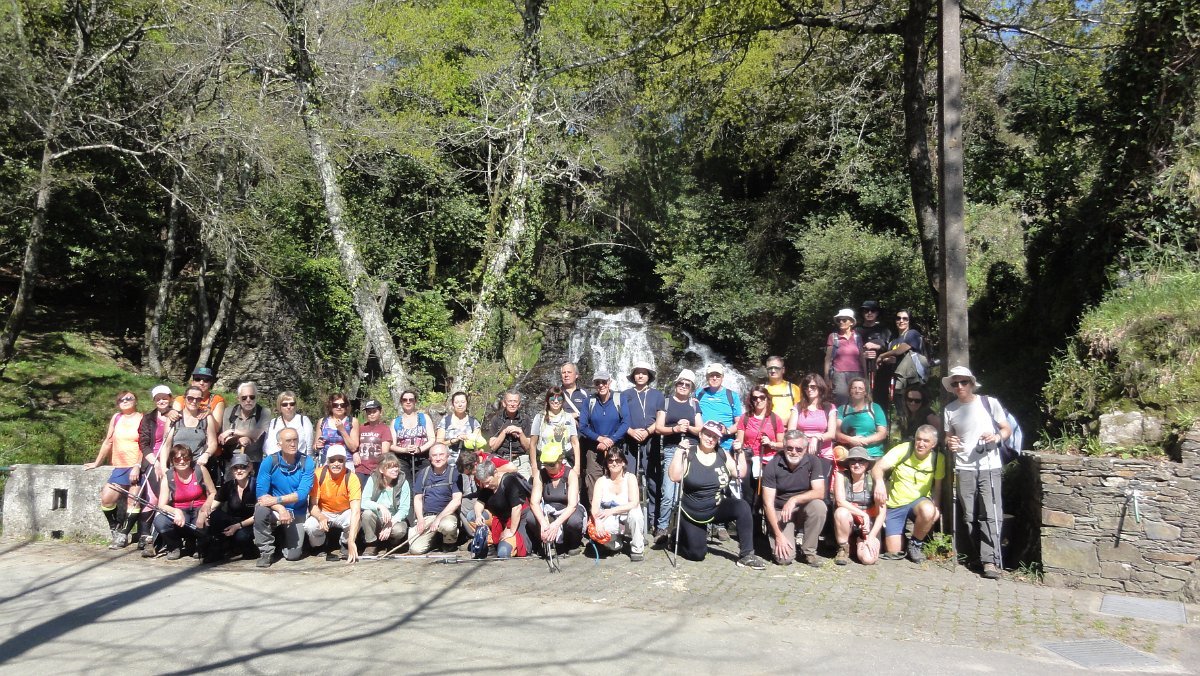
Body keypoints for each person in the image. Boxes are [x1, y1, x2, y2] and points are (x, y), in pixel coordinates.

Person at [667, 420, 765, 569]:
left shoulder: (722, 454)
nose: (710, 439)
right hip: (692, 512)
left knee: (742, 506)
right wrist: (678, 451)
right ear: (700, 434)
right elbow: (674, 476)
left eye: (714, 436)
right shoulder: (690, 453)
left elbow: (740, 473)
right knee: (697, 555)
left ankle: (747, 555)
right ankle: (677, 536)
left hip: (716, 506)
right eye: (707, 434)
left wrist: (740, 453)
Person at [942, 366, 1010, 579]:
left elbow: (1006, 429)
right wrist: (950, 442)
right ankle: (977, 556)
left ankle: (991, 561)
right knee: (969, 515)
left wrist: (996, 438)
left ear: (972, 383)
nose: (960, 386)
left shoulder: (989, 403)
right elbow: (948, 437)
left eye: (963, 382)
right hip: (963, 467)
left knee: (990, 514)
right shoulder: (949, 409)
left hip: (989, 465)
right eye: (955, 383)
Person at [872, 425, 945, 564]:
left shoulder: (937, 459)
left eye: (926, 441)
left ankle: (915, 544)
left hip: (919, 502)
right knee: (893, 551)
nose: (921, 444)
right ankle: (904, 537)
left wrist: (936, 508)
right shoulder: (904, 449)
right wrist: (880, 483)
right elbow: (877, 467)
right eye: (918, 439)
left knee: (930, 511)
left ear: (933, 444)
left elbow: (938, 488)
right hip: (896, 504)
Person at [84, 390, 145, 549]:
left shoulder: (142, 418)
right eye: (121, 399)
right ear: (117, 403)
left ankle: (123, 534)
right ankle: (115, 526)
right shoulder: (116, 418)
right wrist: (97, 462)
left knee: (133, 499)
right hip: (120, 466)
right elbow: (108, 442)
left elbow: (145, 445)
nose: (125, 401)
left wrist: (138, 465)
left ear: (135, 400)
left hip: (136, 465)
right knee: (107, 498)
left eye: (129, 398)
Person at [761, 430, 828, 567]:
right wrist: (779, 536)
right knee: (784, 559)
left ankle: (808, 551)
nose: (794, 452)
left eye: (799, 449)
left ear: (805, 449)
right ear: (784, 447)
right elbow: (767, 504)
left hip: (803, 507)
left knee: (819, 506)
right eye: (789, 448)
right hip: (780, 510)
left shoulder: (813, 461)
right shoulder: (772, 465)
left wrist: (794, 500)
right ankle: (777, 534)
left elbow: (820, 492)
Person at [652, 369, 703, 541]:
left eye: (687, 385)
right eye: (680, 383)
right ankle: (662, 528)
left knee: (690, 491)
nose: (683, 386)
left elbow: (700, 429)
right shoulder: (665, 403)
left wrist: (687, 427)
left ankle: (688, 528)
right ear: (675, 385)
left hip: (692, 450)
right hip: (672, 450)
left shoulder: (694, 405)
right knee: (668, 493)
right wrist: (675, 429)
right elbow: (659, 428)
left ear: (691, 388)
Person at [253, 428, 315, 567]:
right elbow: (261, 494)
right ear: (279, 444)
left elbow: (302, 494)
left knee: (293, 556)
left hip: (296, 510)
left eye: (295, 440)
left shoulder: (307, 462)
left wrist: (277, 500)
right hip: (275, 509)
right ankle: (266, 552)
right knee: (260, 510)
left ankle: (282, 537)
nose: (293, 444)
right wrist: (280, 508)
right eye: (288, 441)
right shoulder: (269, 461)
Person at [153, 443, 217, 560]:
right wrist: (176, 511)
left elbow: (213, 492)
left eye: (186, 458)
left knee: (206, 523)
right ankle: (174, 546)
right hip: (180, 510)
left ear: (191, 459)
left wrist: (205, 508)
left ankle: (199, 545)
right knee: (160, 522)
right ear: (172, 461)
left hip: (199, 508)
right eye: (177, 459)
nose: (182, 462)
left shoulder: (200, 470)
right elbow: (161, 505)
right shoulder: (168, 476)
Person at [620, 361, 664, 527]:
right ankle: (626, 520)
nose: (640, 375)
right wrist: (631, 431)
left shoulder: (658, 395)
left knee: (653, 481)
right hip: (629, 442)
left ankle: (654, 521)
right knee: (628, 479)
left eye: (644, 373)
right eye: (637, 373)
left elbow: (661, 417)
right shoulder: (625, 394)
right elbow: (621, 418)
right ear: (633, 376)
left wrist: (647, 431)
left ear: (649, 376)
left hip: (651, 441)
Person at [305, 444, 361, 563]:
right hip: (324, 511)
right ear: (327, 461)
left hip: (344, 511)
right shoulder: (318, 474)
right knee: (310, 525)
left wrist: (351, 541)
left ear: (345, 462)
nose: (336, 463)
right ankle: (319, 546)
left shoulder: (352, 478)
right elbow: (313, 505)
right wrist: (320, 516)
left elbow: (356, 511)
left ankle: (346, 544)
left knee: (355, 519)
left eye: (340, 460)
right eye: (332, 460)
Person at [734, 384, 785, 515]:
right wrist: (737, 446)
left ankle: (767, 529)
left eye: (762, 397)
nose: (758, 400)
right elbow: (739, 440)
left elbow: (783, 444)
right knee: (749, 497)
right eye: (755, 398)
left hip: (768, 462)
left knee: (766, 498)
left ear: (767, 399)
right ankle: (750, 529)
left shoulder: (775, 419)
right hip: (749, 461)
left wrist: (771, 443)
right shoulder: (745, 418)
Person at [527, 443, 585, 557]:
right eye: (545, 464)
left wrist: (556, 524)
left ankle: (573, 543)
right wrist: (543, 523)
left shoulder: (570, 474)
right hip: (549, 510)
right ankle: (544, 542)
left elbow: (573, 505)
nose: (548, 468)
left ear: (561, 460)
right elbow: (534, 502)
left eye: (552, 464)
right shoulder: (540, 474)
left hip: (568, 509)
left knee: (575, 520)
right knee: (530, 516)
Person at [137, 385, 175, 551]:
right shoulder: (148, 418)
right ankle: (146, 536)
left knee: (169, 499)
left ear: (170, 398)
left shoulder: (176, 415)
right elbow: (144, 444)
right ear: (154, 400)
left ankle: (165, 536)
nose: (161, 400)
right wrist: (156, 463)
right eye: (158, 398)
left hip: (174, 461)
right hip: (153, 460)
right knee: (153, 499)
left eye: (164, 397)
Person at [590, 447, 646, 561]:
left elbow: (634, 502)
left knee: (636, 514)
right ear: (607, 463)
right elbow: (594, 507)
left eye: (618, 460)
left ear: (623, 462)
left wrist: (611, 511)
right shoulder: (601, 481)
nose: (614, 463)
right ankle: (616, 543)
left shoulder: (630, 478)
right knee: (605, 536)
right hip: (609, 519)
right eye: (610, 461)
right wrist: (598, 521)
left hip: (627, 516)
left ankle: (637, 548)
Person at [832, 446, 884, 565]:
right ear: (848, 463)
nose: (856, 464)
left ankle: (859, 542)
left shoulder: (874, 480)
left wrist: (871, 536)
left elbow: (882, 513)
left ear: (867, 464)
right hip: (848, 521)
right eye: (853, 461)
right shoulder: (841, 476)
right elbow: (840, 501)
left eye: (861, 461)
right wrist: (863, 515)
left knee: (868, 559)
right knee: (841, 512)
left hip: (869, 526)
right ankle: (843, 548)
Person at [580, 371, 628, 499]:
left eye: (604, 382)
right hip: (594, 448)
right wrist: (600, 439)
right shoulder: (589, 401)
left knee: (615, 478)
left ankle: (613, 510)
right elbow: (582, 426)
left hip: (615, 448)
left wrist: (610, 440)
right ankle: (594, 513)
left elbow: (626, 423)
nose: (601, 385)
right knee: (592, 481)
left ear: (609, 382)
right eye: (597, 382)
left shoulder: (619, 399)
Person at [473, 461, 533, 559]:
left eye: (488, 482)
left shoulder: (509, 481)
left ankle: (508, 543)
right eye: (484, 483)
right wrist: (479, 515)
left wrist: (511, 531)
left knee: (503, 552)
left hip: (517, 518)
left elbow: (517, 508)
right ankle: (489, 545)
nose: (486, 486)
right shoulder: (486, 486)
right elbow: (479, 503)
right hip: (499, 517)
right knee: (472, 516)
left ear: (495, 473)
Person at [204, 452, 258, 561]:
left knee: (242, 537)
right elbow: (214, 505)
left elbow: (259, 515)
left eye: (243, 467)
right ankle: (218, 549)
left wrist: (238, 526)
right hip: (232, 521)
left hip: (250, 523)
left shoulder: (257, 486)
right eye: (235, 468)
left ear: (250, 467)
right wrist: (206, 515)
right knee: (215, 516)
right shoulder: (228, 486)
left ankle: (249, 549)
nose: (239, 470)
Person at [410, 443, 463, 554]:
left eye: (441, 455)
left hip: (447, 516)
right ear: (430, 458)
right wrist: (420, 520)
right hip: (428, 516)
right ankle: (434, 539)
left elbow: (457, 500)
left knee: (447, 526)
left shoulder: (455, 473)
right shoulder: (423, 474)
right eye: (434, 455)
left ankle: (448, 543)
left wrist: (439, 518)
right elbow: (418, 498)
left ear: (447, 456)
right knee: (415, 550)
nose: (438, 458)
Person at [457, 448, 514, 540]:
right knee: (460, 503)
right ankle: (478, 535)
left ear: (475, 465)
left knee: (470, 513)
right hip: (485, 495)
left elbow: (512, 467)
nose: (470, 476)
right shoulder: (475, 466)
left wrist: (489, 474)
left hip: (500, 496)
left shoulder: (489, 460)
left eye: (469, 474)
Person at [359, 453, 411, 556]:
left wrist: (390, 524)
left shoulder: (403, 482)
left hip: (394, 519)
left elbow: (404, 509)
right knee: (367, 514)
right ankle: (371, 544)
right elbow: (363, 502)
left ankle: (392, 543)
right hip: (377, 519)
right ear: (382, 470)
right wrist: (380, 506)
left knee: (399, 530)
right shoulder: (373, 479)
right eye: (390, 467)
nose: (395, 470)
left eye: (396, 466)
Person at [878, 308, 927, 408]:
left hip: (913, 381)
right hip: (898, 381)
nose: (901, 321)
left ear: (909, 321)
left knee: (916, 410)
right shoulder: (892, 341)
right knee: (902, 412)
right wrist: (887, 360)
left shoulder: (913, 334)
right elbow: (893, 357)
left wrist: (882, 356)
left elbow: (900, 350)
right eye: (898, 318)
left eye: (905, 319)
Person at [219, 382, 271, 472]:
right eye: (244, 398)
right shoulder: (229, 412)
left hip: (254, 461)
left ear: (256, 398)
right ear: (238, 399)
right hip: (231, 461)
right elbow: (225, 439)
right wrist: (240, 439)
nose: (248, 400)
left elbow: (257, 433)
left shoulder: (264, 412)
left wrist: (233, 431)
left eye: (252, 397)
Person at [529, 386, 581, 473]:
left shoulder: (569, 418)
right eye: (552, 398)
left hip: (565, 462)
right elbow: (532, 444)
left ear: (563, 400)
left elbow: (575, 443)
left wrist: (577, 466)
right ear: (547, 400)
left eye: (559, 398)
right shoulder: (539, 417)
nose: (556, 401)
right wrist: (534, 467)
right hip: (544, 463)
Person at [172, 385, 219, 479]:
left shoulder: (206, 417)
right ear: (184, 398)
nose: (194, 401)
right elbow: (166, 445)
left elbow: (213, 442)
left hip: (198, 466)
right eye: (190, 398)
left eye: (198, 399)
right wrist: (164, 468)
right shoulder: (175, 417)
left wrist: (207, 454)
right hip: (177, 465)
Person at [786, 373, 837, 460]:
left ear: (820, 388)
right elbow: (791, 432)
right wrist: (806, 440)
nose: (809, 389)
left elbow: (831, 434)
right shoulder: (797, 407)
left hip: (823, 453)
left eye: (813, 387)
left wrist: (816, 437)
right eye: (806, 387)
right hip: (801, 453)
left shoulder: (829, 407)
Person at [835, 377, 887, 459]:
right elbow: (836, 433)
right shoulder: (842, 409)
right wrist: (851, 440)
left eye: (860, 388)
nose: (857, 390)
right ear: (850, 391)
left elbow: (882, 433)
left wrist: (862, 441)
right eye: (854, 388)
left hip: (872, 454)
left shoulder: (875, 408)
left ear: (865, 392)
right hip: (849, 456)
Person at [824, 309, 866, 407]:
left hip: (857, 374)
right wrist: (826, 377)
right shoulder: (833, 337)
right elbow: (827, 359)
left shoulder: (857, 337)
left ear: (851, 322)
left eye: (844, 320)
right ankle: (841, 421)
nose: (841, 322)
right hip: (838, 374)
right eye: (839, 320)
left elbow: (862, 357)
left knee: (857, 400)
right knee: (841, 401)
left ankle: (855, 421)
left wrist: (866, 376)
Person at [391, 390, 434, 485]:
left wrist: (419, 449)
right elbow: (391, 445)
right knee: (406, 486)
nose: (408, 402)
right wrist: (405, 450)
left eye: (411, 399)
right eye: (405, 400)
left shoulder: (424, 418)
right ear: (401, 402)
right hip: (403, 460)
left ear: (415, 402)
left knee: (424, 484)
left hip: (423, 458)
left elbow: (432, 439)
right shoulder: (395, 422)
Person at [487, 391, 533, 478]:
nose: (512, 404)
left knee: (526, 487)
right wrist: (504, 432)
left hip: (521, 460)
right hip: (501, 459)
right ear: (504, 403)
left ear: (519, 404)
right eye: (510, 401)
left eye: (515, 401)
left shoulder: (525, 419)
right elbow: (492, 447)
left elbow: (528, 447)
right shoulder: (496, 419)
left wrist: (520, 433)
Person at [857, 300, 893, 405]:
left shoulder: (884, 330)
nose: (869, 313)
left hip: (881, 371)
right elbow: (851, 352)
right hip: (862, 371)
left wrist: (877, 346)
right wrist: (863, 355)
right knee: (862, 398)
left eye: (872, 310)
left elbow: (891, 348)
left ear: (877, 313)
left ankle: (881, 421)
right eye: (866, 310)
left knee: (881, 400)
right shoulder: (856, 331)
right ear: (862, 313)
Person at [313, 392, 360, 468]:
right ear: (330, 406)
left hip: (346, 463)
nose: (339, 407)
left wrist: (342, 430)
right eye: (335, 405)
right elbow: (315, 446)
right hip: (326, 463)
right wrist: (317, 445)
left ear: (346, 406)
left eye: (342, 405)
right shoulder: (322, 422)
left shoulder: (352, 421)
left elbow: (354, 447)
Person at [436, 391, 484, 464]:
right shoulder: (445, 421)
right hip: (448, 461)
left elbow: (479, 446)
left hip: (468, 462)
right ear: (453, 404)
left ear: (467, 403)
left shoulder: (474, 423)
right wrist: (454, 441)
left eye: (463, 402)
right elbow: (439, 444)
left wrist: (468, 438)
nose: (460, 405)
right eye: (457, 402)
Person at [263, 391, 314, 458]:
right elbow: (267, 445)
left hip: (298, 461)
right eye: (285, 404)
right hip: (277, 462)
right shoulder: (273, 423)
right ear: (279, 406)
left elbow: (309, 445)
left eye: (292, 404)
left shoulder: (303, 421)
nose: (288, 407)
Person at [356, 399, 393, 486]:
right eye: (369, 412)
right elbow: (355, 445)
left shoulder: (384, 429)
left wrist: (381, 468)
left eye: (374, 411)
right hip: (360, 468)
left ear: (380, 412)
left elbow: (385, 452)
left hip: (376, 469)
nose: (371, 414)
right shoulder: (361, 428)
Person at [764, 356, 802, 422]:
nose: (773, 370)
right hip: (766, 428)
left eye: (776, 368)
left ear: (783, 370)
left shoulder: (793, 388)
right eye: (770, 368)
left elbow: (800, 411)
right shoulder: (762, 389)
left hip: (788, 428)